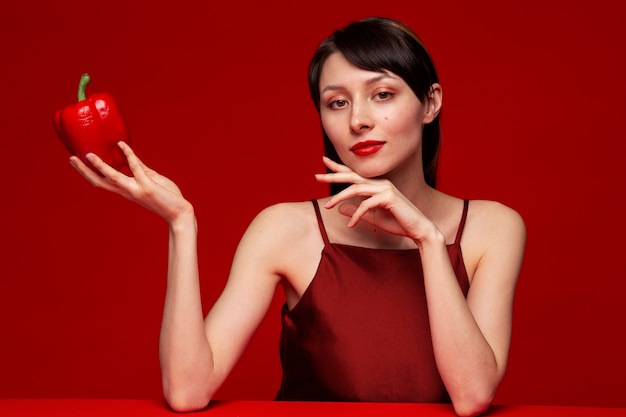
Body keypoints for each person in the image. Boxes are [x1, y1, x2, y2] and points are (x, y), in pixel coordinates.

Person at [70, 17, 526, 417]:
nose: (359, 120)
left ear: (430, 103)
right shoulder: (285, 230)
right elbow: (188, 391)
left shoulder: (493, 228)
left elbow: (471, 396)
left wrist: (428, 239)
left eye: (382, 94)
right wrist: (181, 224)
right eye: (337, 102)